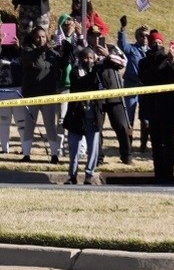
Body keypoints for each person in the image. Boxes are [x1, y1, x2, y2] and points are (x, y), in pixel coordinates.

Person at [139, 30, 174, 184]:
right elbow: (146, 77)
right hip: (151, 106)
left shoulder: (168, 59)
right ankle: (159, 174)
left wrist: (173, 63)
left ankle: (169, 174)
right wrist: (163, 64)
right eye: (154, 42)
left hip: (168, 106)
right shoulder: (144, 62)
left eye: (159, 42)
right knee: (156, 142)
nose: (157, 45)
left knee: (168, 141)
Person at [19, 26, 65, 163]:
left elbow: (62, 63)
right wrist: (42, 49)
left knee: (50, 125)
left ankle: (54, 155)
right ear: (33, 38)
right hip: (32, 95)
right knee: (29, 125)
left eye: (44, 37)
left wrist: (66, 50)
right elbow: (29, 59)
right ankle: (26, 154)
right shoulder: (28, 50)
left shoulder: (51, 53)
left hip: (48, 95)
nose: (41, 39)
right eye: (38, 37)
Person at [88, 25, 134, 164]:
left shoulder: (111, 47)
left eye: (98, 35)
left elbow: (124, 62)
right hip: (97, 96)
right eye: (93, 35)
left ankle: (127, 156)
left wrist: (107, 55)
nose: (96, 38)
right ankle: (99, 158)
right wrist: (94, 59)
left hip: (114, 94)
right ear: (89, 36)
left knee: (122, 126)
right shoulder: (86, 50)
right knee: (98, 128)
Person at [63, 47, 105, 185]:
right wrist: (96, 70)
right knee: (74, 148)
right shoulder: (76, 72)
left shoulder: (99, 73)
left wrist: (102, 66)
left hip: (93, 117)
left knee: (93, 148)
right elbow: (82, 84)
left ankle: (89, 175)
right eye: (85, 58)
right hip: (77, 115)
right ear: (81, 59)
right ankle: (72, 175)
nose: (88, 61)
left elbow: (106, 86)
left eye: (91, 58)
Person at [117, 17, 150, 151]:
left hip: (145, 87)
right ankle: (128, 144)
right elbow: (122, 45)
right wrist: (123, 29)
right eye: (141, 36)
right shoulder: (132, 49)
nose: (144, 38)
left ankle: (143, 144)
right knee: (128, 117)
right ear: (137, 37)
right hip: (131, 85)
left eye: (146, 36)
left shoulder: (151, 51)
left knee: (145, 118)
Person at [0, 40, 24, 154]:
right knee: (3, 122)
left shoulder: (20, 51)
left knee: (21, 122)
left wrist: (19, 48)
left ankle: (26, 149)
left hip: (18, 90)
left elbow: (28, 61)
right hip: (2, 90)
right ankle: (5, 149)